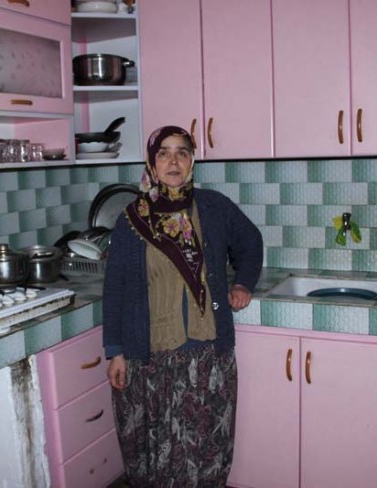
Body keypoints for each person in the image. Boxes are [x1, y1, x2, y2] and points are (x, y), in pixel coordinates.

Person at [102, 125, 264, 487]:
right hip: (150, 357)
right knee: (155, 450)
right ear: (151, 162)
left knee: (206, 446)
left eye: (182, 152)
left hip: (207, 353)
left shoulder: (213, 207)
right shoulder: (132, 219)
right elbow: (115, 288)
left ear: (192, 162)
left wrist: (242, 282)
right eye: (164, 153)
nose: (173, 161)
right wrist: (115, 350)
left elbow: (250, 242)